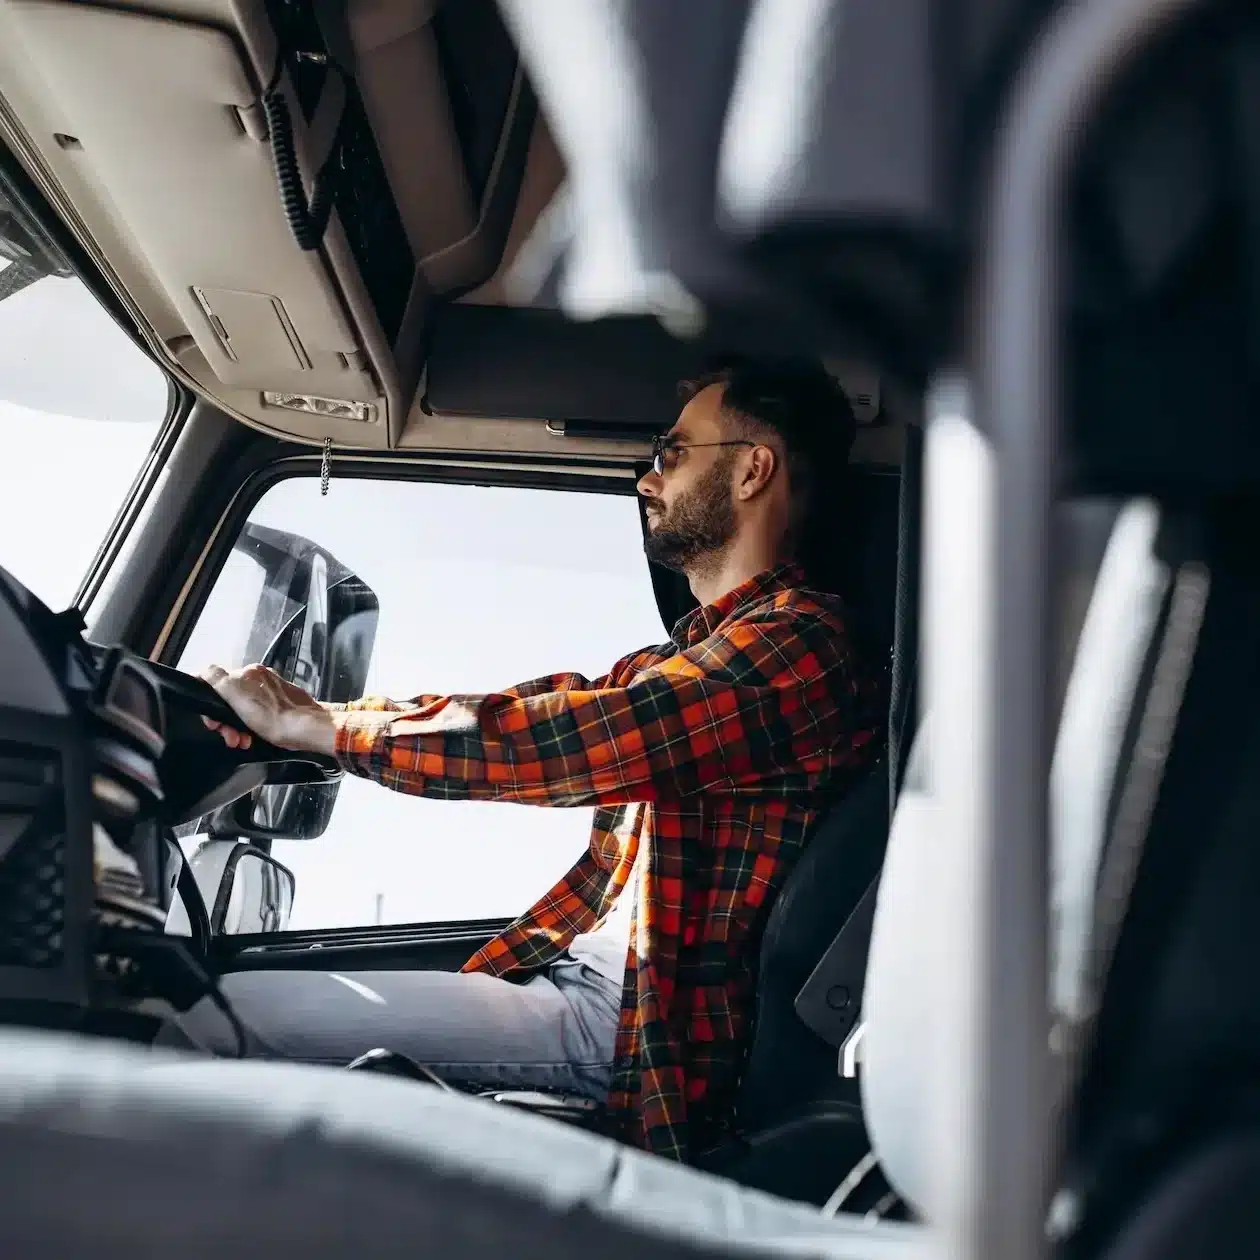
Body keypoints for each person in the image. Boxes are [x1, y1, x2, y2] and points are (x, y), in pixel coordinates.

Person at [189, 356, 884, 1162]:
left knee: (215, 1017)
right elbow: (545, 706)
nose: (647, 481)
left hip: (633, 1033)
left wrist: (319, 731)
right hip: (587, 994)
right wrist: (319, 718)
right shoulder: (699, 651)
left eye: (673, 452)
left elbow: (573, 739)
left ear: (753, 470)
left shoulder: (799, 644)